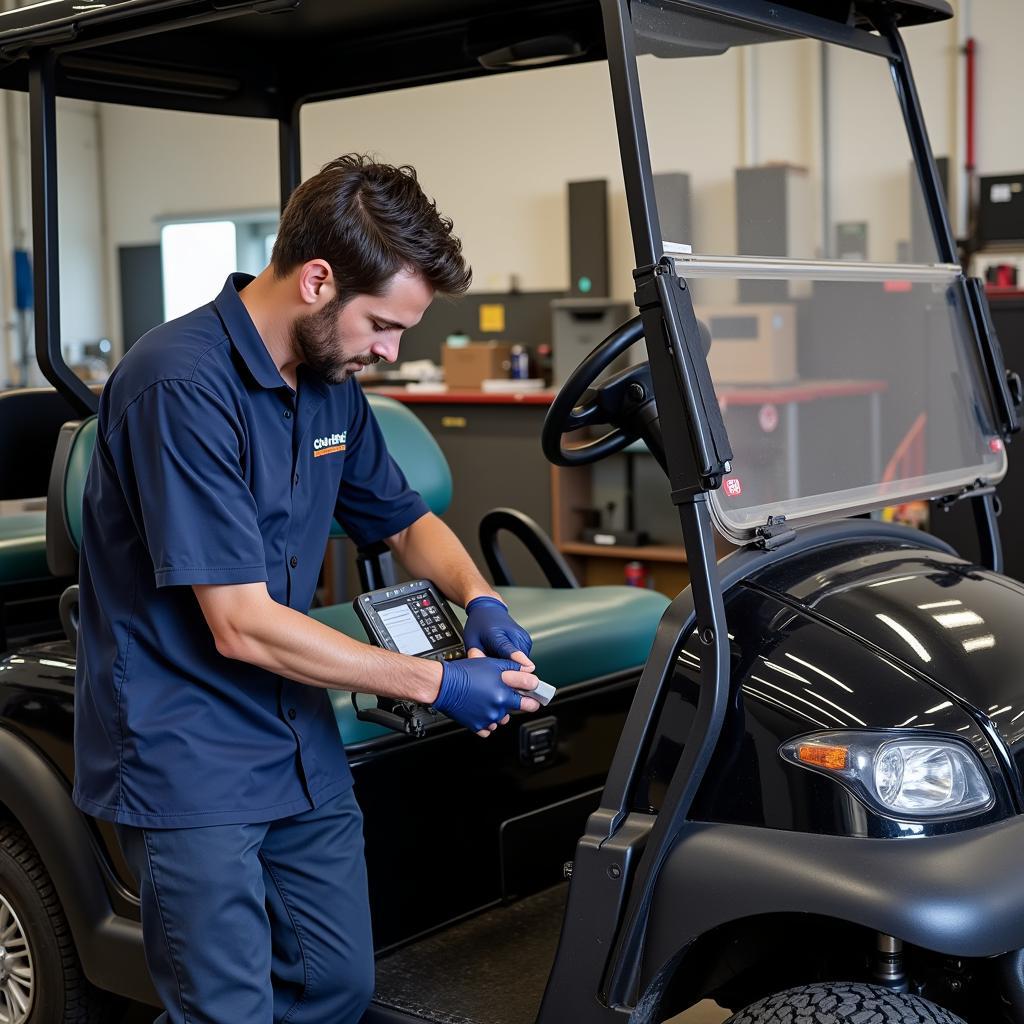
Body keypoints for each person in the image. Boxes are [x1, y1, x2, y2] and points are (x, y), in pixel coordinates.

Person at [73, 153, 542, 1024]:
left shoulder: (330, 383)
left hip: (295, 735)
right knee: (229, 1010)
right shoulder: (180, 383)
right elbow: (241, 624)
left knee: (336, 985)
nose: (390, 351)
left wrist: (485, 599)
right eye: (383, 325)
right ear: (318, 279)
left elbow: (404, 521)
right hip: (190, 752)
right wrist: (440, 682)